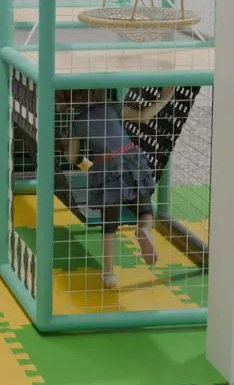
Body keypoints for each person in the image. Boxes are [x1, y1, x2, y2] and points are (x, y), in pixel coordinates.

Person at [55, 86, 176, 288]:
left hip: (105, 171)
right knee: (145, 210)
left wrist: (64, 144)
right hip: (130, 161)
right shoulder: (113, 107)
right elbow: (143, 117)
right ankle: (143, 229)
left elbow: (72, 157)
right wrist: (164, 99)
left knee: (109, 225)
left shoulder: (77, 123)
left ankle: (109, 274)